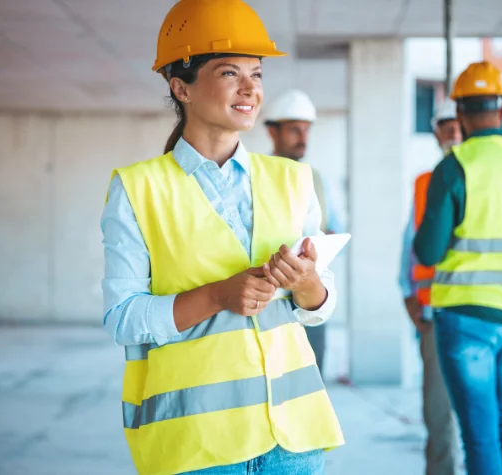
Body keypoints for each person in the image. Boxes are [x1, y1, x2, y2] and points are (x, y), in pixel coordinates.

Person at [99, 1, 345, 474]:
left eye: (257, 73)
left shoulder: (294, 180)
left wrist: (309, 284)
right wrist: (217, 295)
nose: (251, 88)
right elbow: (122, 318)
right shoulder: (137, 188)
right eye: (230, 72)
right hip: (198, 444)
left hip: (292, 438)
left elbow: (320, 306)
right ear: (180, 87)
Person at [413, 61, 502, 475]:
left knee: (478, 434)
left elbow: (427, 252)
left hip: (463, 318)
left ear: (459, 112)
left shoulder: (455, 166)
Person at [399, 98, 463, 475]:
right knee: (438, 413)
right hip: (434, 315)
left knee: (482, 419)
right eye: (445, 125)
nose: (453, 130)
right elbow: (411, 245)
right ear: (436, 132)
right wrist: (408, 294)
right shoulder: (425, 182)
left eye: (458, 123)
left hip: (473, 312)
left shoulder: (482, 177)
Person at [263, 88, 346, 375]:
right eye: (294, 130)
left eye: (307, 130)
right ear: (273, 132)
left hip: (310, 297)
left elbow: (333, 228)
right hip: (269, 301)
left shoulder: (318, 180)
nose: (303, 138)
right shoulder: (257, 177)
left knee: (311, 382)